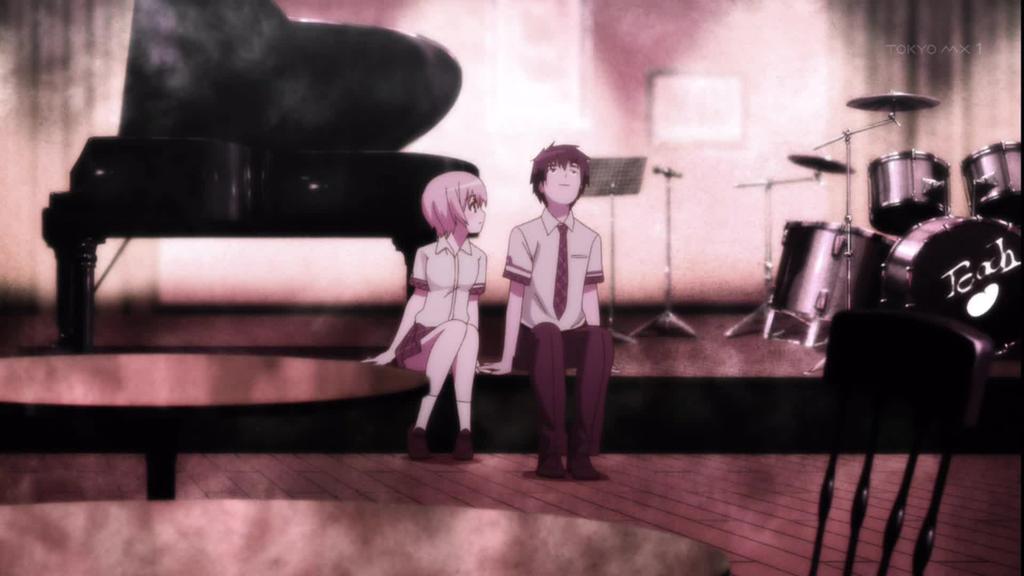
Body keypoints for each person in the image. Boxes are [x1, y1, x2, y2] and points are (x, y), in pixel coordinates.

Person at [481, 143, 613, 480]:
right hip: (536, 338)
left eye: (573, 171)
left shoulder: (590, 238)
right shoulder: (524, 234)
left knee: (600, 338)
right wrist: (507, 357)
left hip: (570, 335)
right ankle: (551, 453)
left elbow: (589, 295)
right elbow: (516, 297)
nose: (566, 177)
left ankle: (582, 453)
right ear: (541, 183)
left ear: (582, 182)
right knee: (548, 333)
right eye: (556, 170)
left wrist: (597, 350)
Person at [366, 171, 488, 461]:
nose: (482, 214)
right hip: (420, 342)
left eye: (482, 206)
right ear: (450, 209)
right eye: (474, 206)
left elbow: (472, 307)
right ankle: (421, 427)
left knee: (466, 330)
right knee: (458, 327)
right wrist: (393, 349)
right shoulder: (426, 254)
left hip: (457, 341)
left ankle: (463, 432)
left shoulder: (479, 258)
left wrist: (473, 353)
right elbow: (416, 303)